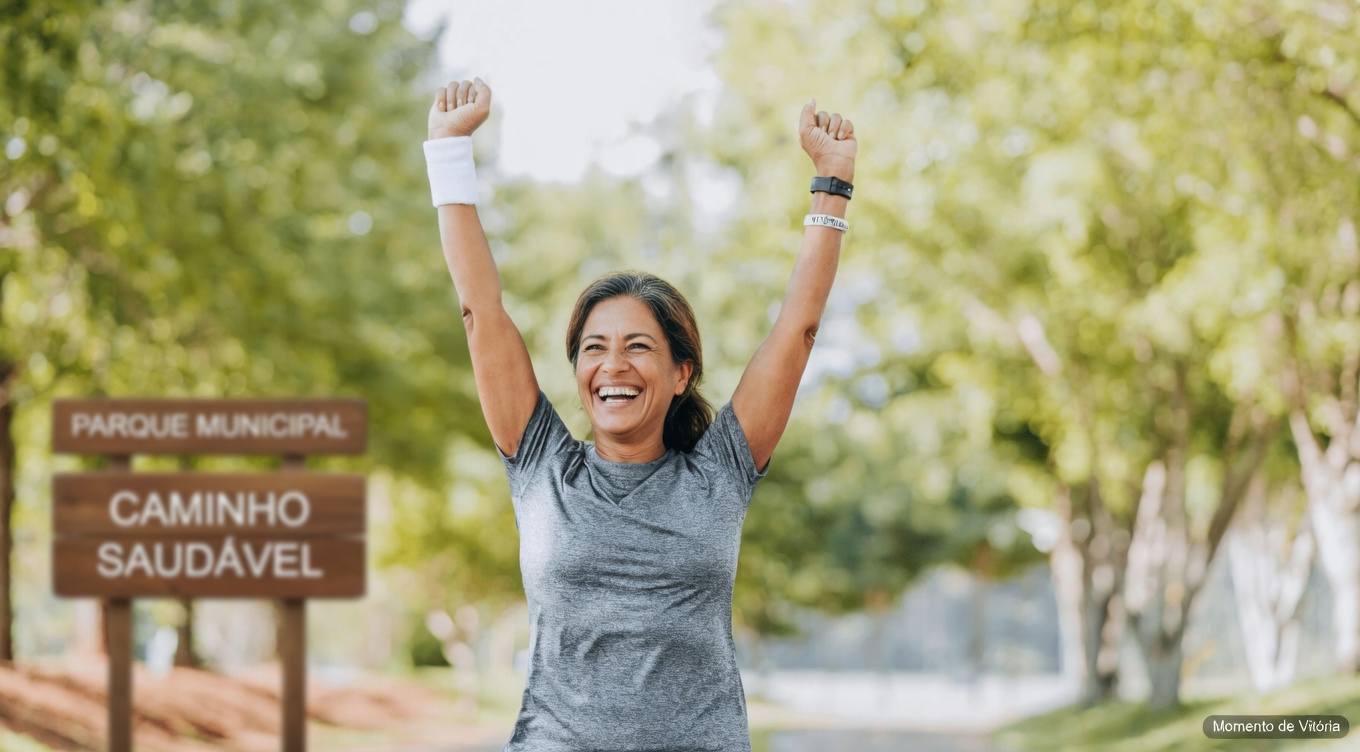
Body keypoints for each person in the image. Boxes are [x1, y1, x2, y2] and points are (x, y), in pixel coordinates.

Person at [424, 76, 856, 752]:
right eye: (594, 348)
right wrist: (448, 151)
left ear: (681, 372)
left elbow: (797, 330)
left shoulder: (720, 471)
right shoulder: (543, 467)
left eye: (638, 347)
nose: (613, 365)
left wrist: (832, 182)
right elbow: (481, 313)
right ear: (578, 372)